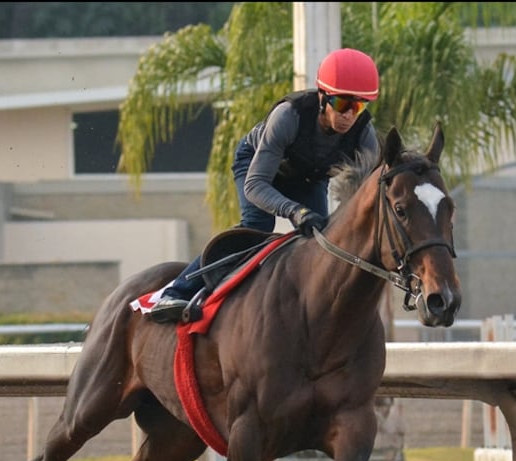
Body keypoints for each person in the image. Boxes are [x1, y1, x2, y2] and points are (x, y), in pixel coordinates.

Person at [146, 47, 381, 323]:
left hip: (308, 177)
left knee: (323, 236)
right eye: (342, 104)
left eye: (359, 106)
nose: (349, 116)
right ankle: (178, 290)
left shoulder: (365, 135)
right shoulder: (288, 116)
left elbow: (368, 195)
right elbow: (256, 185)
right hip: (257, 168)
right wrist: (295, 211)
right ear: (322, 97)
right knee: (257, 226)